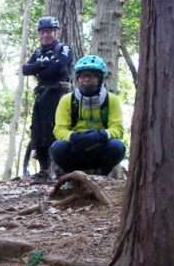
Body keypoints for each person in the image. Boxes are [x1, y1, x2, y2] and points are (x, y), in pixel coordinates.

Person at [50, 55, 126, 176]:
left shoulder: (111, 100)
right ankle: (72, 175)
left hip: (100, 149)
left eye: (90, 75)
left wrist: (101, 135)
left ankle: (102, 175)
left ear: (100, 78)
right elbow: (59, 129)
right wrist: (73, 137)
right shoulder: (67, 100)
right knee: (57, 147)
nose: (86, 79)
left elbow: (118, 129)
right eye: (82, 76)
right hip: (76, 148)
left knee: (117, 146)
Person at [22, 16, 73, 181]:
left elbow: (60, 65)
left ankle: (60, 170)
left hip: (59, 95)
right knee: (38, 131)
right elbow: (25, 69)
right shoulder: (37, 52)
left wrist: (40, 69)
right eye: (42, 32)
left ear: (56, 32)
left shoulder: (63, 48)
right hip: (41, 97)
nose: (46, 35)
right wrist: (45, 65)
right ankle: (44, 171)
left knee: (58, 129)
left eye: (49, 31)